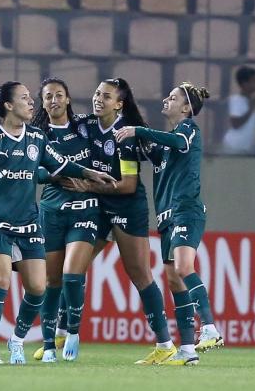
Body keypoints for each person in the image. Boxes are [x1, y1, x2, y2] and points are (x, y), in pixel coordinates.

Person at [0, 81, 116, 365]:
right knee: (1, 279)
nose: (32, 103)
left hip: (29, 224)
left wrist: (91, 173)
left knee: (38, 288)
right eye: (25, 98)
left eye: (31, 98)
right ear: (8, 105)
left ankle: (17, 341)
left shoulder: (37, 139)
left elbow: (62, 165)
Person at [64, 78, 177, 364]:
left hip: (127, 207)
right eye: (97, 93)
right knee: (73, 270)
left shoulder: (125, 135)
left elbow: (127, 185)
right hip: (98, 207)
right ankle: (60, 338)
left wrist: (88, 186)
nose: (99, 99)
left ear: (119, 104)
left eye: (107, 96)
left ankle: (165, 344)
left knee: (140, 275)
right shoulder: (86, 125)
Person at [115, 82, 223, 365]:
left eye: (173, 97)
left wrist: (138, 130)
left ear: (186, 108)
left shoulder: (188, 130)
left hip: (186, 210)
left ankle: (210, 327)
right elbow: (151, 149)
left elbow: (176, 142)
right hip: (167, 218)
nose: (166, 99)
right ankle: (187, 351)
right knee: (175, 280)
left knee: (184, 267)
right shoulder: (166, 144)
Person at [31, 78, 100, 363]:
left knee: (73, 275)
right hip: (51, 210)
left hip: (85, 208)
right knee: (51, 280)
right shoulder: (35, 135)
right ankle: (48, 345)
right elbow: (31, 174)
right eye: (49, 96)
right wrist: (55, 176)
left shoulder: (85, 126)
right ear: (43, 102)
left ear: (69, 99)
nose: (54, 100)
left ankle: (72, 332)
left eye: (59, 95)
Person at [222, 66, 255, 155]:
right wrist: (251, 109)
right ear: (244, 84)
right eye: (254, 81)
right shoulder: (236, 100)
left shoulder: (254, 101)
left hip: (245, 148)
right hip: (233, 146)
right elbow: (236, 124)